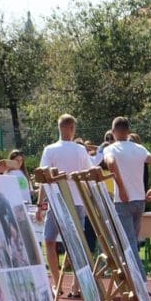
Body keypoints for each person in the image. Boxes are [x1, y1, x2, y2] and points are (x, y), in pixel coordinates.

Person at [39, 114, 94, 284]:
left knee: (49, 241)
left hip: (57, 201)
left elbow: (42, 177)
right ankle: (77, 285)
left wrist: (40, 204)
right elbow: (88, 176)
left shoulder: (50, 150)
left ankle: (57, 282)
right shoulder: (80, 150)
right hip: (76, 202)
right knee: (76, 244)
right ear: (72, 128)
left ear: (59, 127)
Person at [102, 117, 151, 272]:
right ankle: (130, 277)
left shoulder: (110, 149)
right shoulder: (139, 148)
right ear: (128, 131)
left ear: (113, 132)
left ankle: (140, 280)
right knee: (131, 241)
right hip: (139, 200)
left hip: (123, 201)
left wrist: (121, 188)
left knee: (128, 243)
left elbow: (110, 163)